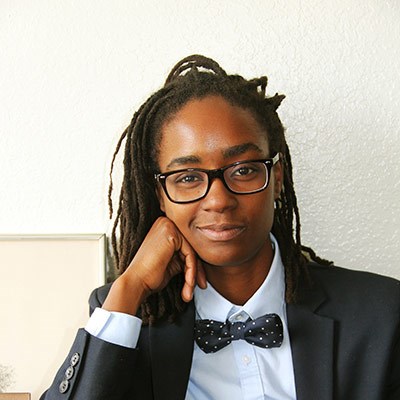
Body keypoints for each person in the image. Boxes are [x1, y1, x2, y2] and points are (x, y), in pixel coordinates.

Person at [41, 55, 400, 400]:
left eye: (242, 170)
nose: (218, 200)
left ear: (276, 179)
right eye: (187, 177)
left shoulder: (381, 314)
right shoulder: (128, 318)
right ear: (160, 196)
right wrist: (130, 285)